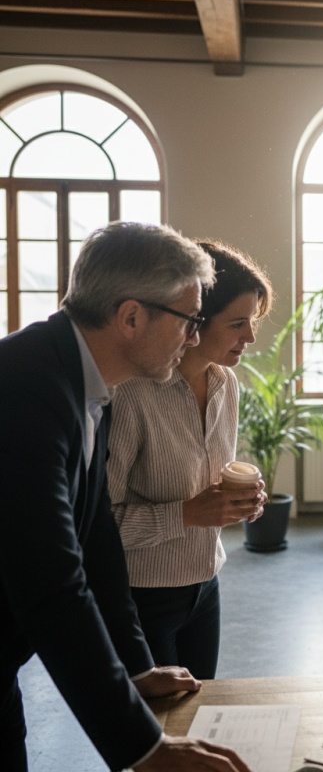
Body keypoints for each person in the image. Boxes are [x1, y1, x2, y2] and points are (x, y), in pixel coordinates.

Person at [0, 222, 252, 772]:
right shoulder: (23, 389)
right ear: (131, 316)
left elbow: (95, 541)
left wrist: (138, 668)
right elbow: (53, 586)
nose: (193, 337)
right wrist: (144, 747)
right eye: (188, 321)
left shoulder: (88, 384)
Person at [107, 240, 271, 679]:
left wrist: (240, 500)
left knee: (199, 717)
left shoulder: (226, 384)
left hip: (206, 587)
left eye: (252, 322)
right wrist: (188, 514)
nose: (251, 337)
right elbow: (97, 526)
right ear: (196, 320)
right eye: (238, 323)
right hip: (143, 598)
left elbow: (209, 490)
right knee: (158, 733)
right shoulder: (130, 394)